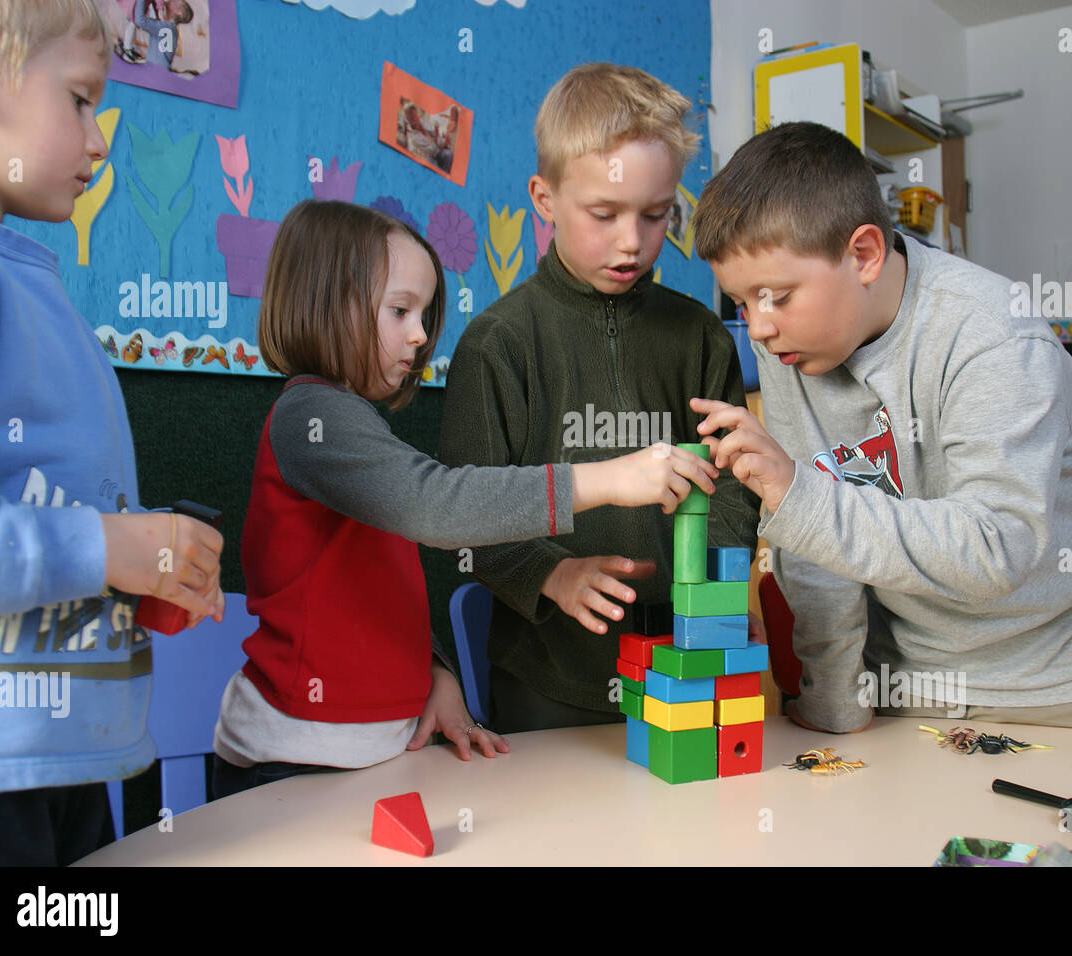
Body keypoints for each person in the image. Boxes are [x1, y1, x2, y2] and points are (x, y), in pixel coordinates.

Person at [211, 199, 720, 797]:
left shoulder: (355, 426)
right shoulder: (309, 416)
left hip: (376, 754)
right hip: (292, 761)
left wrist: (436, 676)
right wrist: (604, 479)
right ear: (326, 304)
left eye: (424, 314)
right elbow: (434, 507)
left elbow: (370, 586)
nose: (421, 334)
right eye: (399, 310)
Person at [690, 121, 1072, 736]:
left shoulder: (991, 335)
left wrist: (798, 495)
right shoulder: (793, 346)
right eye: (742, 304)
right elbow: (819, 548)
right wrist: (834, 699)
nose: (757, 327)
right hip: (912, 679)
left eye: (774, 295)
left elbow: (995, 548)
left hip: (1064, 675)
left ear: (863, 254)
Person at [0, 0, 224, 865]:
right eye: (80, 99)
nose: (101, 136)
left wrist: (149, 566)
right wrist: (108, 548)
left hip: (59, 766)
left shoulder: (27, 280)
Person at [438, 63, 760, 734]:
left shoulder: (700, 335)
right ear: (544, 198)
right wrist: (548, 575)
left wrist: (719, 595)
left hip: (684, 664)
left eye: (655, 215)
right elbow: (467, 510)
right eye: (604, 214)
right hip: (547, 680)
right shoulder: (498, 342)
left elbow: (733, 483)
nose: (631, 242)